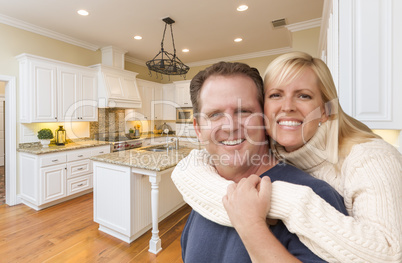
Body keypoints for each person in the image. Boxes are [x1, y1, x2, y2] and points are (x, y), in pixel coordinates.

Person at [172, 52, 402, 262]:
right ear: (198, 128)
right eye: (214, 114)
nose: (231, 126)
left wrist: (268, 213)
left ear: (262, 119)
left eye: (244, 111)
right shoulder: (204, 191)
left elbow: (390, 253)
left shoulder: (334, 183)